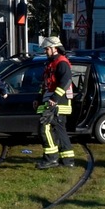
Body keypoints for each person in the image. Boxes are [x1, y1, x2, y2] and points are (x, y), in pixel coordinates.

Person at [35, 37, 76, 169]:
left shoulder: (61, 63)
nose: (45, 51)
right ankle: (68, 160)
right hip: (52, 100)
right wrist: (39, 98)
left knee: (44, 128)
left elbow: (66, 81)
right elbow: (46, 84)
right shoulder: (51, 63)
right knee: (59, 130)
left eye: (47, 49)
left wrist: (55, 98)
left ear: (54, 48)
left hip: (58, 102)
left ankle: (51, 158)